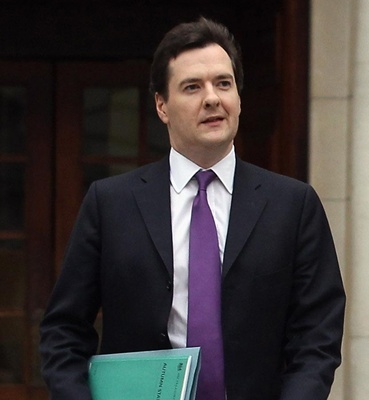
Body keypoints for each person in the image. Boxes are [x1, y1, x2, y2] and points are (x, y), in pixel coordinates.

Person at [39, 17, 345, 399]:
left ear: (238, 97)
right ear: (161, 106)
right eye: (192, 87)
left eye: (223, 83)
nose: (212, 98)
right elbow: (63, 331)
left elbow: (317, 335)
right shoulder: (111, 203)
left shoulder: (293, 205)